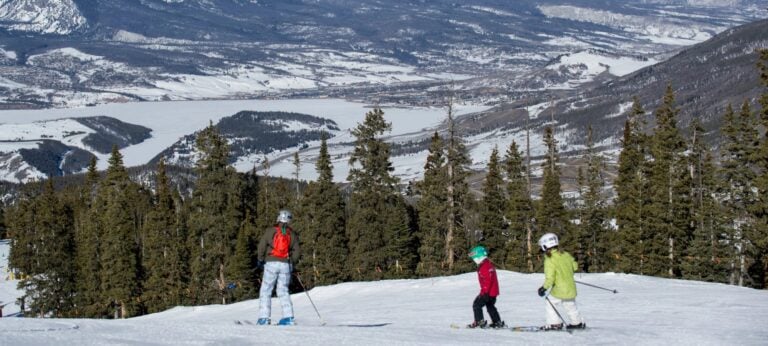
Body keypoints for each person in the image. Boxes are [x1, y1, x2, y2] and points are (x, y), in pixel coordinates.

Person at [257, 209, 301, 326]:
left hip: (271, 263)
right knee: (283, 290)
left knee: (266, 290)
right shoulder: (292, 234)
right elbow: (297, 252)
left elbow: (261, 246)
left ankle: (264, 318)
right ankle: (288, 317)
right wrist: (291, 262)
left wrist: (260, 259)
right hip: (285, 265)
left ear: (279, 218)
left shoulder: (270, 231)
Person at [537, 233, 585, 330]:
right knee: (570, 305)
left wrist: (544, 288)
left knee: (550, 301)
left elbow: (550, 278)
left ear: (546, 246)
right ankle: (577, 323)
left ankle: (555, 324)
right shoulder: (565, 254)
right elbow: (575, 266)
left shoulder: (549, 260)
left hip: (559, 289)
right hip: (570, 287)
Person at [467, 245, 505, 329]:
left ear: (479, 257)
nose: (474, 260)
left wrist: (484, 292)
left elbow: (487, 280)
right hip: (493, 292)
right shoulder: (488, 264)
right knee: (490, 306)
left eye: (474, 258)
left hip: (487, 292)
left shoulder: (484, 266)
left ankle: (479, 321)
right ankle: (497, 321)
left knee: (476, 304)